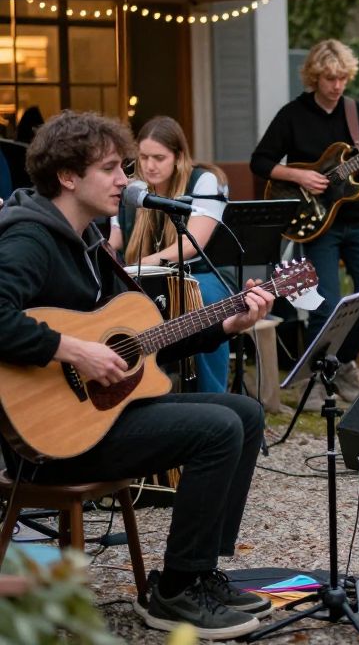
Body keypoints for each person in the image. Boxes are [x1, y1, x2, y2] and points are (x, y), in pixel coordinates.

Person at [0, 110, 275, 640]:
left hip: (95, 416)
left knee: (244, 413)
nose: (125, 181)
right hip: (47, 438)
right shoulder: (29, 239)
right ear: (67, 176)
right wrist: (72, 350)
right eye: (110, 169)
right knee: (217, 429)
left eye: (123, 168)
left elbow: (144, 339)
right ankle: (176, 593)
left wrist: (226, 324)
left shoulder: (89, 241)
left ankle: (198, 574)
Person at [250, 39, 359, 403]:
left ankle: (339, 364)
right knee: (325, 304)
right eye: (329, 79)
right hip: (318, 224)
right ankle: (315, 381)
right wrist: (298, 176)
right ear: (314, 77)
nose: (337, 86)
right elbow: (260, 161)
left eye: (342, 78)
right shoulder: (293, 115)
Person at [109, 116, 232, 393]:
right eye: (143, 157)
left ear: (178, 157)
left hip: (200, 275)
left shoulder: (204, 180)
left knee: (204, 301)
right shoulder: (130, 187)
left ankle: (213, 394)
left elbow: (192, 244)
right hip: (144, 276)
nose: (149, 165)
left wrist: (141, 265)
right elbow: (114, 240)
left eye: (159, 158)